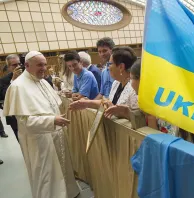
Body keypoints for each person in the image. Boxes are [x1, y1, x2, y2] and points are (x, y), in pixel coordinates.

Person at [3, 51, 79, 198]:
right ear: (26, 65)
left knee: (62, 168)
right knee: (47, 174)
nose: (43, 68)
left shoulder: (43, 81)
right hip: (39, 141)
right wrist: (51, 121)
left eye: (44, 64)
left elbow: (52, 103)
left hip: (56, 134)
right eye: (39, 65)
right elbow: (24, 123)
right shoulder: (18, 87)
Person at [69, 46, 138, 116]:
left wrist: (122, 113)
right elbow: (108, 104)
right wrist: (87, 103)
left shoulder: (134, 87)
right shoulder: (116, 83)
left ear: (121, 67)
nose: (108, 68)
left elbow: (138, 118)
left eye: (110, 64)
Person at [0, 54, 23, 139]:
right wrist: (13, 80)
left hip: (31, 114)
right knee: (21, 142)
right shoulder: (3, 80)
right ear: (8, 67)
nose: (18, 66)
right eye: (14, 65)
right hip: (15, 117)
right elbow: (4, 95)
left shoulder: (28, 76)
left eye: (19, 64)